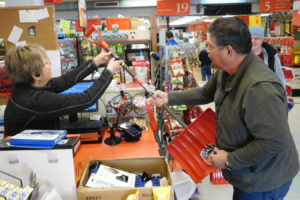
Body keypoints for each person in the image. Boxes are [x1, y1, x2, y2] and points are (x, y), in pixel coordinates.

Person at [151, 17, 299, 200]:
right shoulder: (227, 70)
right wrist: (168, 97)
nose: (206, 50)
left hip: (263, 181)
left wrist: (229, 159)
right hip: (247, 173)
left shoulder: (260, 88)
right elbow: (205, 93)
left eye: (210, 46)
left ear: (229, 51)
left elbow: (274, 142)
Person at [4, 44, 123, 137]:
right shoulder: (33, 101)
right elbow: (86, 99)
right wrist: (108, 72)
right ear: (36, 74)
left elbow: (66, 80)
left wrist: (96, 62)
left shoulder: (27, 88)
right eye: (46, 63)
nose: (50, 64)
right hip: (29, 161)